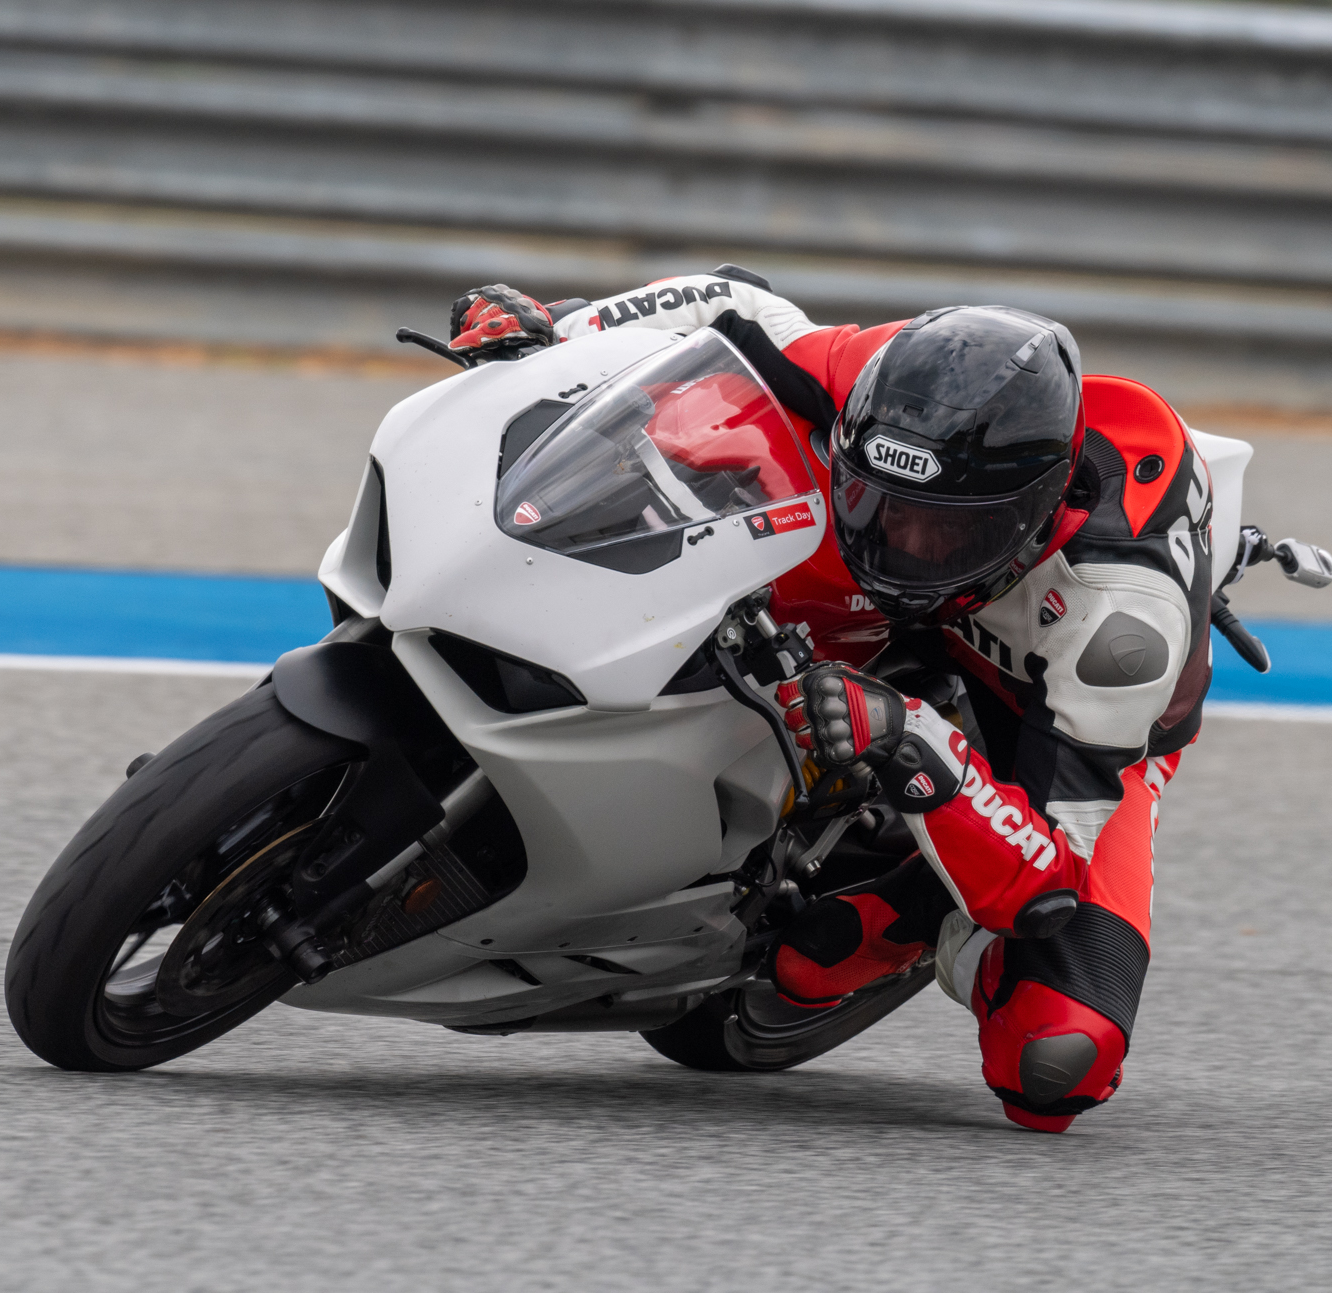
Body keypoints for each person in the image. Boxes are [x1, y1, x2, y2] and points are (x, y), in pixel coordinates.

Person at [446, 273, 1214, 1132]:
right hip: (932, 607)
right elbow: (730, 300)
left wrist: (909, 738)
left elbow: (1048, 877)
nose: (904, 543)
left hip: (1051, 713)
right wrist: (554, 326)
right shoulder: (897, 393)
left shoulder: (1119, 626)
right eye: (884, 504)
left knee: (1059, 1058)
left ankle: (922, 907)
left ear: (1032, 517)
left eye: (946, 531)